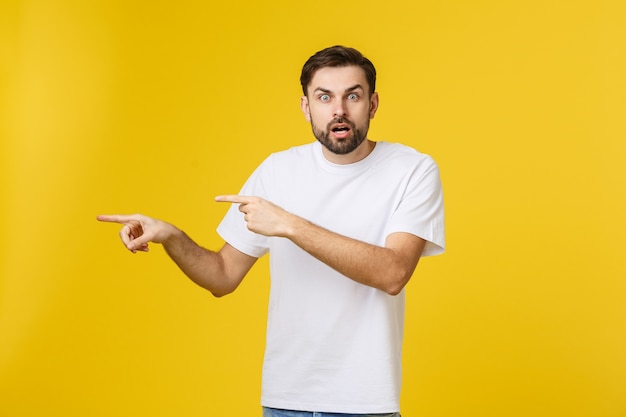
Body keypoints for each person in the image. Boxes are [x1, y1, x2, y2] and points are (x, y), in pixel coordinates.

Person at [98, 45, 445, 417]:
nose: (339, 110)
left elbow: (393, 273)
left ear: (372, 104)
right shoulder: (278, 170)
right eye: (324, 97)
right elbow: (222, 276)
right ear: (306, 106)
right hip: (285, 401)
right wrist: (171, 236)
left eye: (353, 96)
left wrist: (291, 225)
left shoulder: (412, 170)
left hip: (363, 403)